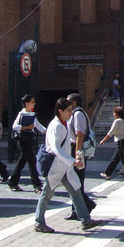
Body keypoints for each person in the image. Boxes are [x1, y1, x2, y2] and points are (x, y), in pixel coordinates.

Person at [34, 97, 106, 233]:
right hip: (56, 166)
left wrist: (74, 157)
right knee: (47, 194)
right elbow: (56, 148)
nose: (70, 113)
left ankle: (86, 219)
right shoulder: (56, 125)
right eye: (68, 110)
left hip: (65, 166)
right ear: (60, 111)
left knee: (76, 191)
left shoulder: (64, 123)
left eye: (71, 110)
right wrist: (73, 161)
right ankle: (39, 222)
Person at [66, 93, 96, 220]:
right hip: (75, 148)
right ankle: (77, 209)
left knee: (77, 180)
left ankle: (85, 206)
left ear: (74, 103)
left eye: (68, 102)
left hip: (78, 149)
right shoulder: (75, 114)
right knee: (74, 181)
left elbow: (80, 134)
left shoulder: (78, 114)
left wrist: (77, 153)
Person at [8, 94, 46, 193]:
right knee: (32, 161)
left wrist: (49, 132)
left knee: (21, 162)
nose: (34, 104)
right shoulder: (21, 114)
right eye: (32, 102)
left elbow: (39, 127)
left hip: (29, 140)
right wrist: (26, 127)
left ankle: (13, 183)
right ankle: (37, 185)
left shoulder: (32, 115)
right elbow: (14, 126)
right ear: (27, 103)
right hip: (22, 140)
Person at [99, 107, 124, 181]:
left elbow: (111, 132)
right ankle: (108, 173)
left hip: (121, 142)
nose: (113, 114)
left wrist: (103, 140)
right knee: (115, 159)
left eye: (114, 113)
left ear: (117, 114)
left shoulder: (117, 121)